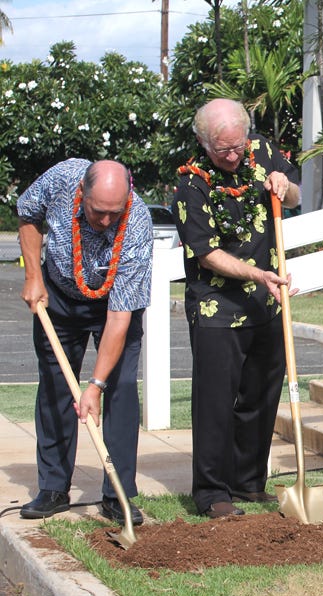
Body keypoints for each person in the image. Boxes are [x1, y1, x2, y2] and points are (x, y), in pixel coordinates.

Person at [173, 98, 300, 518]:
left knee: (261, 395)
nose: (232, 156)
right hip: (217, 305)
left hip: (268, 300)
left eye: (237, 146)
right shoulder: (191, 182)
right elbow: (205, 252)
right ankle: (213, 492)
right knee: (215, 401)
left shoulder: (261, 151)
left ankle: (248, 482)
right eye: (222, 149)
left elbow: (296, 197)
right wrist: (255, 274)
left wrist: (285, 184)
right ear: (203, 142)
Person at [17, 159, 153, 524]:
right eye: (98, 212)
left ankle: (118, 494)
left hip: (112, 306)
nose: (106, 221)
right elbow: (27, 214)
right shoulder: (62, 179)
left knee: (120, 387)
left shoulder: (138, 223)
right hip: (58, 297)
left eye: (115, 213)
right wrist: (33, 276)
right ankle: (53, 488)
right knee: (56, 388)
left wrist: (95, 385)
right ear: (83, 194)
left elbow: (120, 317)